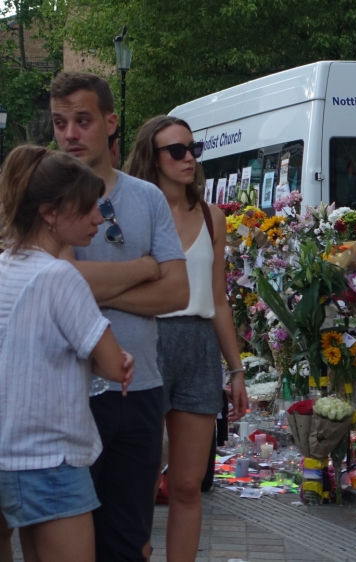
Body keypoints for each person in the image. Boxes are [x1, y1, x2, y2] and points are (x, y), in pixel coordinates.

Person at [50, 71, 190, 562]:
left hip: (143, 389)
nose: (70, 134)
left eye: (83, 120)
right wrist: (143, 269)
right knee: (70, 542)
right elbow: (64, 282)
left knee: (130, 540)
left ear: (110, 123)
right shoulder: (48, 199)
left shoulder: (146, 197)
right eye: (60, 122)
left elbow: (177, 291)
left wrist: (91, 289)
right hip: (73, 392)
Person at [0, 146, 136, 562]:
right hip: (52, 457)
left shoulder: (6, 265)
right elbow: (115, 366)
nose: (99, 218)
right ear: (50, 213)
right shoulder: (61, 276)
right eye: (87, 208)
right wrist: (115, 358)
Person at [124, 115, 248, 562]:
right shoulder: (135, 213)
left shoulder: (213, 218)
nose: (189, 159)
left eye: (193, 149)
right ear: (152, 158)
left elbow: (217, 297)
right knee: (137, 484)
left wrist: (236, 370)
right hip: (148, 338)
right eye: (176, 151)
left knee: (187, 484)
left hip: (199, 346)